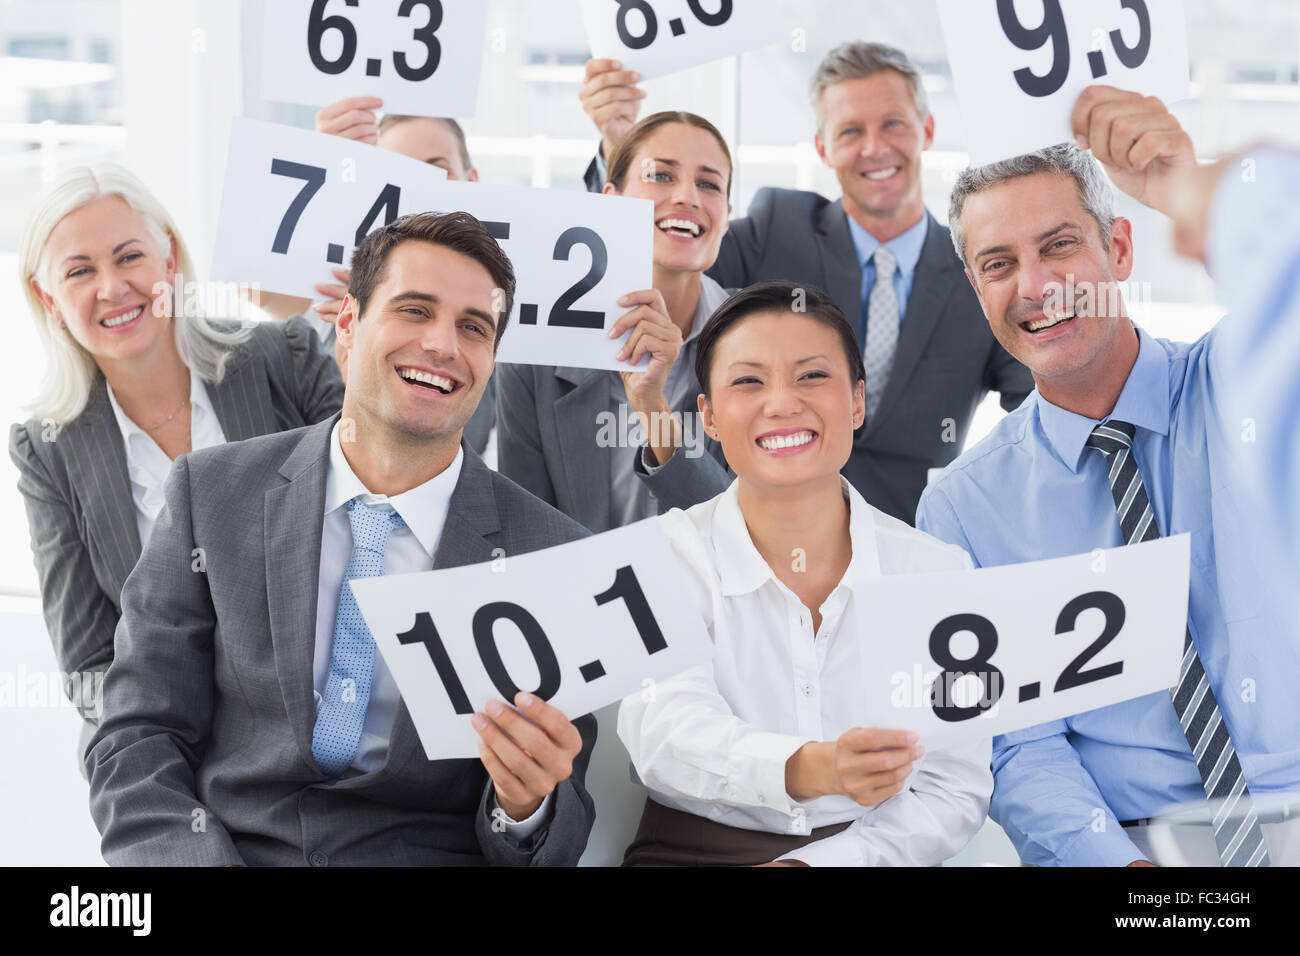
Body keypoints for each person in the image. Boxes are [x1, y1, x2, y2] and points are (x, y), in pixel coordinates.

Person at [86, 211, 596, 866]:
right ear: (348, 329)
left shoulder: (548, 556)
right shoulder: (209, 497)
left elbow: (562, 819)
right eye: (415, 311)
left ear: (491, 359)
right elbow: (138, 737)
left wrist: (525, 807)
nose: (443, 344)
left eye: (473, 327)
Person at [915, 87, 1300, 867]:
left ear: (1120, 250)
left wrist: (1192, 189)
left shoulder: (1244, 382)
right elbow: (1016, 742)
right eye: (999, 263)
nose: (1033, 284)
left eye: (1058, 245)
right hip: (1138, 851)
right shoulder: (961, 507)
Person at [579, 43, 1034, 524]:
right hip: (769, 538)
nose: (874, 148)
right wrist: (621, 148)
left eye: (893, 124)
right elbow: (674, 244)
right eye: (851, 130)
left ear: (928, 129)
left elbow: (1038, 401)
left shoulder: (979, 271)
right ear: (822, 146)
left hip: (910, 546)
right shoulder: (781, 226)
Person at [618, 281, 991, 866]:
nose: (783, 402)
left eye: (812, 376)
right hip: (693, 852)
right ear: (709, 416)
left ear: (857, 401)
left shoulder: (935, 572)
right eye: (748, 381)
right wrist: (811, 766)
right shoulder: (666, 553)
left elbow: (952, 789)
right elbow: (663, 733)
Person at [11, 163, 344, 768]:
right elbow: (90, 667)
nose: (111, 288)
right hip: (189, 745)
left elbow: (389, 503)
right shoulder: (48, 449)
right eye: (80, 271)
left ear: (169, 262)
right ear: (48, 298)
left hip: (332, 706)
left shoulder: (286, 358)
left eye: (129, 256)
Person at [495, 111, 733, 533]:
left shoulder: (759, 344)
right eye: (661, 176)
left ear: (726, 217)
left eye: (709, 184)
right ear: (610, 198)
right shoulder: (536, 350)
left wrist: (653, 410)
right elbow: (524, 532)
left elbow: (744, 531)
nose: (687, 197)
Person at [256, 99, 495, 453]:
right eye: (399, 175)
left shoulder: (493, 300)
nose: (419, 195)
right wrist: (316, 162)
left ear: (471, 181)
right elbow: (255, 289)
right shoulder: (336, 282)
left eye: (437, 170)